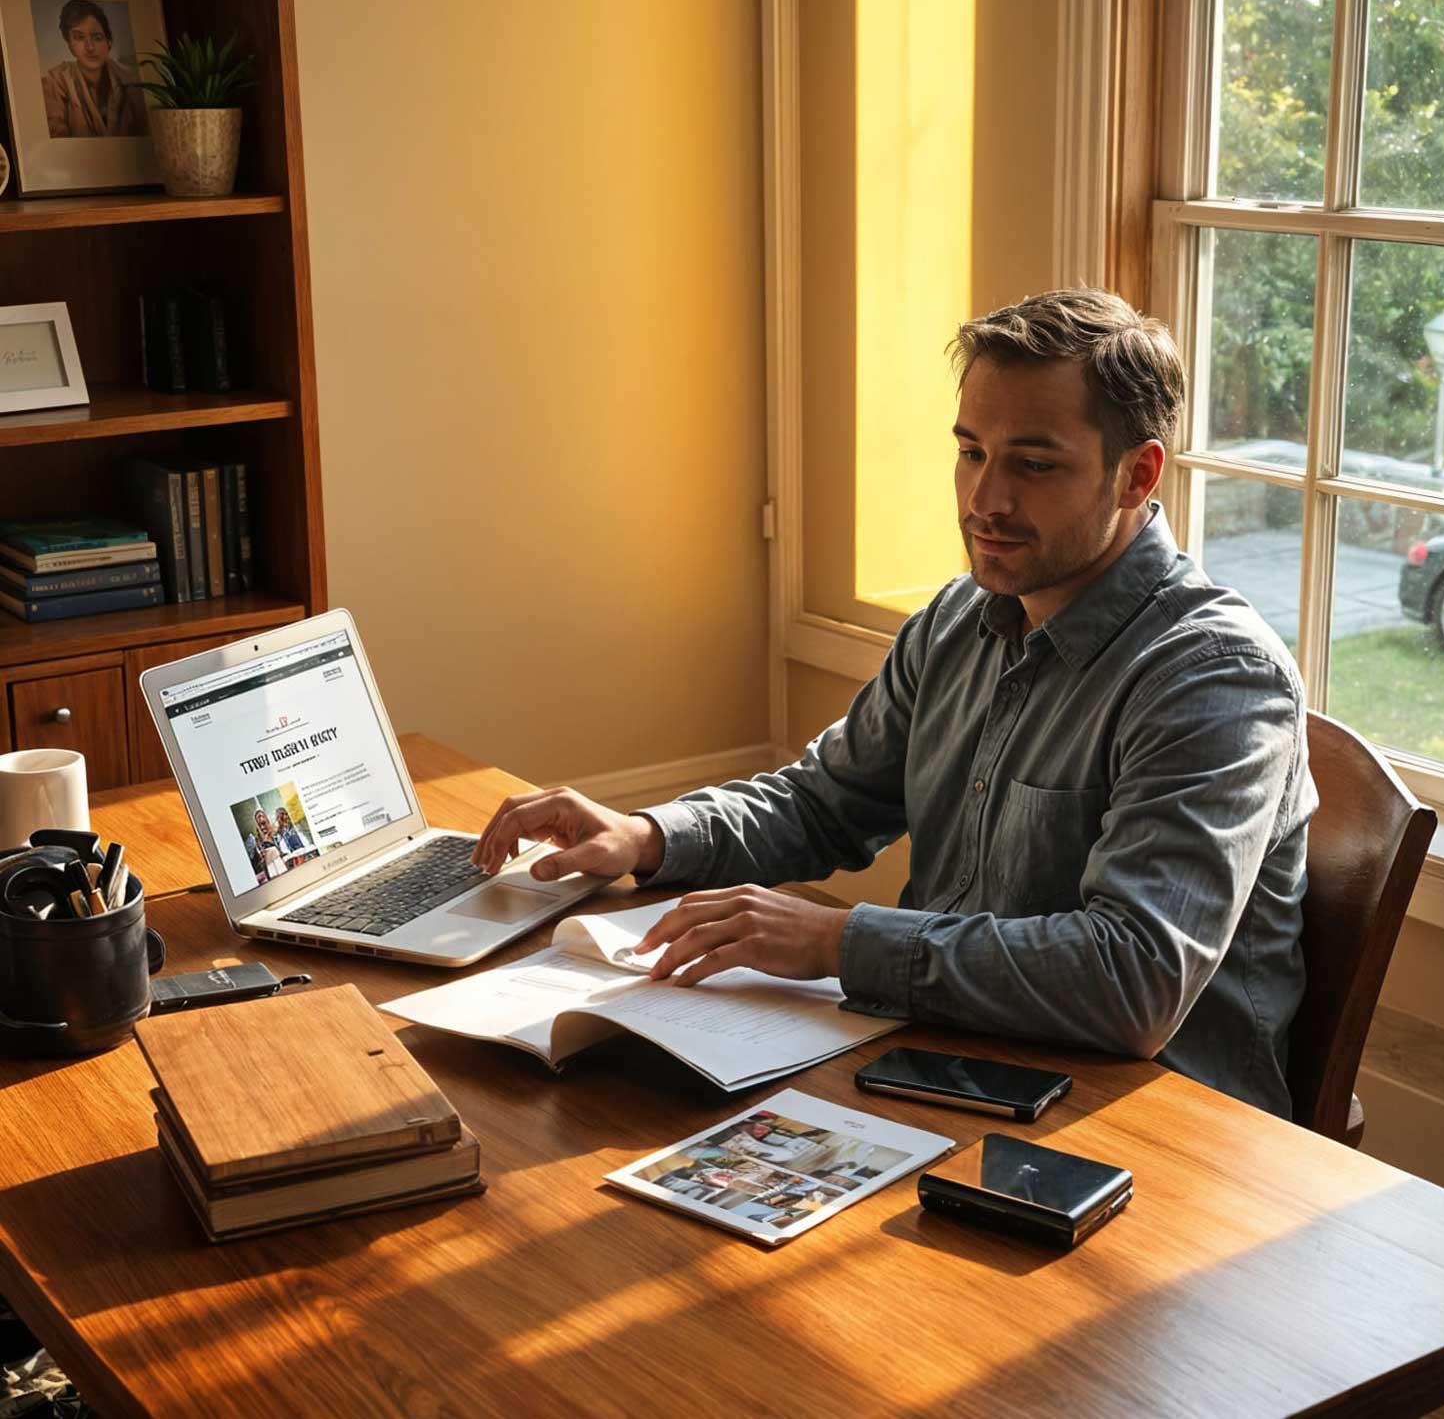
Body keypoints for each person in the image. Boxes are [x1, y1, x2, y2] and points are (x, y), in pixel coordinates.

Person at [474, 289, 1316, 1117]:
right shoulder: (958, 621)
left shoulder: (1215, 679)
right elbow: (821, 804)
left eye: (1034, 463)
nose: (985, 500)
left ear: (1137, 474)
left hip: (1159, 1137)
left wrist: (837, 942)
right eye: (971, 452)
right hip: (942, 1064)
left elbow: (1131, 979)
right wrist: (646, 836)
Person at [41, 0, 148, 139]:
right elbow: (55, 138)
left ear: (108, 41)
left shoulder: (132, 82)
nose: (90, 47)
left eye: (97, 38)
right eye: (79, 37)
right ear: (69, 43)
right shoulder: (55, 81)